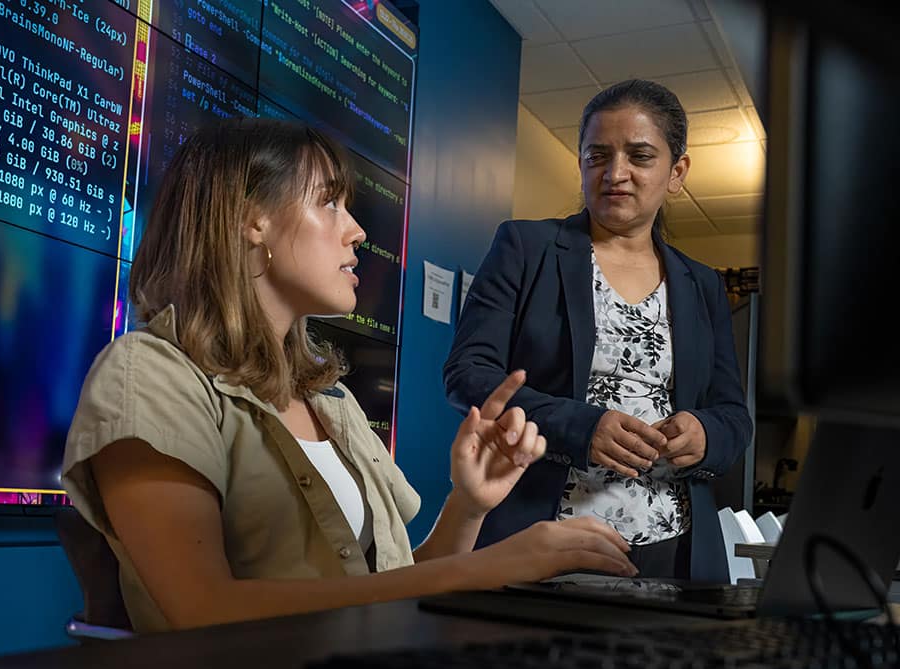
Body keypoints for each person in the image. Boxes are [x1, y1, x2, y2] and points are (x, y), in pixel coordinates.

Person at [61, 117, 634, 633]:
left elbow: (391, 590)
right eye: (330, 202)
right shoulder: (150, 373)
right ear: (252, 219)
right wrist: (487, 568)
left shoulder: (330, 401)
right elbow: (201, 609)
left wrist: (468, 505)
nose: (357, 230)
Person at [444, 79, 753, 582]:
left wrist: (705, 433)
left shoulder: (703, 285)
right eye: (598, 156)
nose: (615, 173)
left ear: (677, 172)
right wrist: (581, 427)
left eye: (640, 156)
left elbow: (734, 416)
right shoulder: (525, 247)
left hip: (675, 546)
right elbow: (468, 374)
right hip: (545, 531)